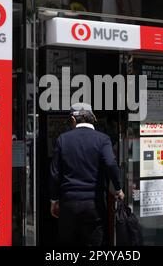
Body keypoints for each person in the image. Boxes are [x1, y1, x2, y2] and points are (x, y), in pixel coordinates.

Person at [49, 103, 125, 246]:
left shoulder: (62, 139)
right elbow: (110, 163)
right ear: (94, 118)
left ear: (72, 119)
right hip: (94, 205)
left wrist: (54, 200)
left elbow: (55, 173)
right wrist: (118, 188)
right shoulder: (103, 139)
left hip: (68, 203)